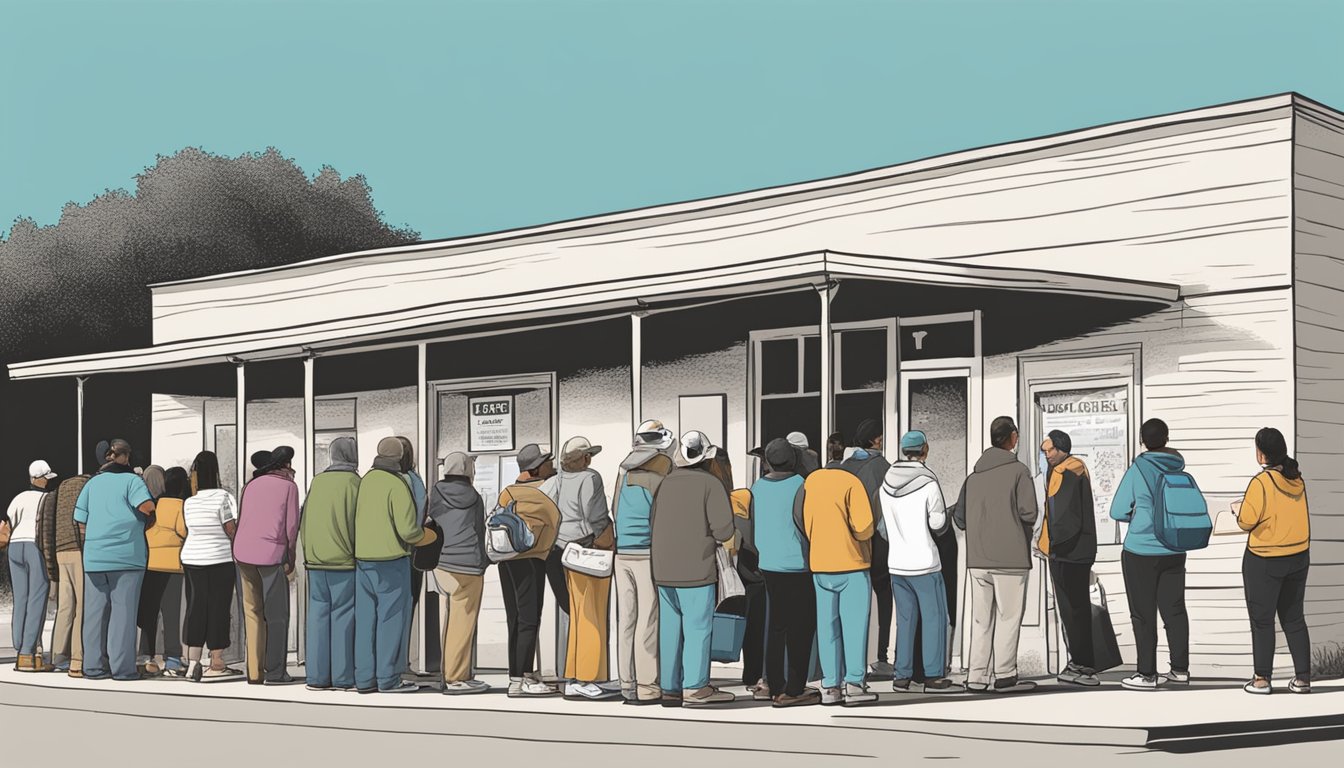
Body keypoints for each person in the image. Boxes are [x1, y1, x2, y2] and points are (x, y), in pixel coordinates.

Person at [952, 417, 1038, 694]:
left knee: (981, 619)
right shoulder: (1019, 471)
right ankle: (1004, 674)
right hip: (1011, 557)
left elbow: (960, 519)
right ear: (1012, 437)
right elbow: (1030, 512)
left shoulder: (973, 477)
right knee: (1009, 617)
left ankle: (976, 675)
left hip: (978, 560)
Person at [651, 430, 737, 707]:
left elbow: (653, 522)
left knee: (670, 629)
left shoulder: (665, 484)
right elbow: (724, 530)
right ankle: (695, 687)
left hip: (664, 570)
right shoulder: (710, 484)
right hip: (696, 569)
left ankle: (670, 688)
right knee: (698, 628)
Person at [1110, 418, 1192, 691]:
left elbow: (1118, 511)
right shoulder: (1178, 469)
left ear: (1142, 441)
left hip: (1140, 550)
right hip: (1174, 548)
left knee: (1143, 614)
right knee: (1175, 610)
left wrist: (1138, 514)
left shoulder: (1138, 470)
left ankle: (1146, 674)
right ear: (1166, 439)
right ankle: (1180, 670)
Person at [354, 437, 435, 693]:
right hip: (391, 561)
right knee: (391, 619)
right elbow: (409, 530)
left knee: (366, 621)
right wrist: (430, 537)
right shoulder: (398, 483)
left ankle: (365, 679)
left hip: (363, 560)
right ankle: (389, 679)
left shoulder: (366, 480)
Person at [797, 456, 880, 705]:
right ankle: (854, 684)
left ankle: (830, 686)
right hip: (851, 564)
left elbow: (799, 519)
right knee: (853, 627)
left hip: (820, 565)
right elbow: (864, 527)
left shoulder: (810, 482)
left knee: (827, 628)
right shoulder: (851, 482)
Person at [544, 436, 621, 701]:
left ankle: (575, 677)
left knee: (576, 617)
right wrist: (607, 537)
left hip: (561, 551)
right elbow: (595, 515)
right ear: (585, 458)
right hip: (588, 551)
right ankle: (588, 678)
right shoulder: (591, 478)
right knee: (592, 617)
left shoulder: (555, 481)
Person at [878, 431, 955, 692]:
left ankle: (902, 674)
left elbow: (884, 527)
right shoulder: (928, 482)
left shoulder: (885, 483)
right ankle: (933, 675)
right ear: (925, 449)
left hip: (897, 562)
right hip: (925, 561)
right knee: (933, 618)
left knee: (905, 619)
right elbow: (938, 522)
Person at [1237, 427, 1311, 695]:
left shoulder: (1261, 483)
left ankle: (1261, 679)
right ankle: (1302, 678)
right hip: (1299, 556)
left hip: (1264, 558)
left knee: (1262, 620)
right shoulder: (1296, 480)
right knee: (1294, 619)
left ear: (1261, 454)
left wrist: (1238, 510)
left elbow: (1246, 521)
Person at [74, 439, 156, 681]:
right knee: (123, 613)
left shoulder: (92, 483)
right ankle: (122, 669)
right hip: (126, 557)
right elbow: (148, 507)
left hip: (95, 556)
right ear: (126, 456)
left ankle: (93, 667)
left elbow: (80, 518)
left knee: (94, 613)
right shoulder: (132, 480)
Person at [749, 438, 818, 707]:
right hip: (797, 564)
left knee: (776, 626)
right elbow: (804, 523)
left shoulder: (757, 487)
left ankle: (773, 684)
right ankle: (794, 688)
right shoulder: (801, 485)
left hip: (769, 564)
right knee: (800, 628)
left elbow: (755, 524)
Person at [612, 420, 675, 705]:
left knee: (626, 620)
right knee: (648, 621)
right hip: (647, 551)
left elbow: (615, 507)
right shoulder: (662, 470)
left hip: (622, 552)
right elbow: (665, 516)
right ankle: (648, 685)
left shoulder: (623, 470)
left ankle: (627, 682)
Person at [497, 443, 562, 697]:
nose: (551, 466)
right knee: (530, 618)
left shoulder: (507, 492)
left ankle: (519, 672)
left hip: (507, 560)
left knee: (515, 618)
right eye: (546, 462)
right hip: (532, 560)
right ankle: (521, 679)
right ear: (535, 469)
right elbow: (556, 522)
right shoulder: (545, 491)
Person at [234, 445, 300, 686]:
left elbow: (244, 518)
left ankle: (254, 671)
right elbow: (291, 528)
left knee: (252, 613)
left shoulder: (251, 485)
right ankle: (275, 672)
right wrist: (290, 558)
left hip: (243, 552)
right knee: (277, 615)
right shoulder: (289, 487)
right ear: (286, 465)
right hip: (270, 554)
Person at [1038, 430, 1099, 687]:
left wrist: (1052, 545)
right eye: (1045, 451)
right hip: (1080, 551)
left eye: (1050, 449)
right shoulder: (1078, 469)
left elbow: (1063, 518)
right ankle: (1082, 662)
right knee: (1078, 609)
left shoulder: (1065, 473)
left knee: (1072, 610)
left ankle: (1082, 665)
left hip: (1066, 553)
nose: (1047, 454)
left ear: (1062, 448)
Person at [301, 436, 361, 692]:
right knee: (344, 617)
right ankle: (343, 677)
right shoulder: (355, 483)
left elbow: (305, 518)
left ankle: (315, 676)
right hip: (344, 561)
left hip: (314, 561)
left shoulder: (317, 481)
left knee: (317, 617)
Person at [429, 452, 489, 695]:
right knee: (463, 624)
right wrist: (484, 561)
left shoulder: (436, 492)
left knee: (448, 619)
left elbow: (429, 521)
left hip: (442, 564)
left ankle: (451, 673)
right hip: (469, 565)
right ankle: (456, 677)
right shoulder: (474, 497)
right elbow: (479, 529)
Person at [181, 451, 243, 682]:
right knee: (218, 609)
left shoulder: (189, 501)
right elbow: (230, 529)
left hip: (192, 559)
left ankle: (193, 663)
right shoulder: (224, 497)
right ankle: (217, 661)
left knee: (196, 609)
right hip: (219, 558)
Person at [839, 418, 894, 678]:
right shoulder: (882, 466)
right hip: (876, 539)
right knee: (883, 594)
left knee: (853, 601)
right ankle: (880, 656)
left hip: (846, 541)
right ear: (875, 440)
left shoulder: (844, 467)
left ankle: (854, 654)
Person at [137, 466, 190, 677]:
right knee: (171, 614)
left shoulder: (153, 506)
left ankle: (145, 657)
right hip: (171, 566)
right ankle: (173, 659)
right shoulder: (179, 505)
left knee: (149, 613)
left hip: (150, 565)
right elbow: (184, 531)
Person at [6, 459, 58, 672]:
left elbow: (10, 520)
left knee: (21, 599)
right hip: (35, 546)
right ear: (44, 479)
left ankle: (19, 646)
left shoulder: (19, 497)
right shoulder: (48, 499)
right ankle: (29, 652)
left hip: (15, 547)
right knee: (37, 599)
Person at [45, 467, 90, 676]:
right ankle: (77, 658)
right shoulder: (88, 485)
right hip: (79, 549)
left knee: (65, 605)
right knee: (82, 605)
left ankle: (58, 655)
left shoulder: (62, 487)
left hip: (61, 550)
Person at [395, 435, 429, 675]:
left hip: (387, 553)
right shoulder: (414, 480)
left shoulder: (383, 480)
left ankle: (394, 662)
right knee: (406, 609)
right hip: (411, 552)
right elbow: (418, 517)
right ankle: (401, 663)